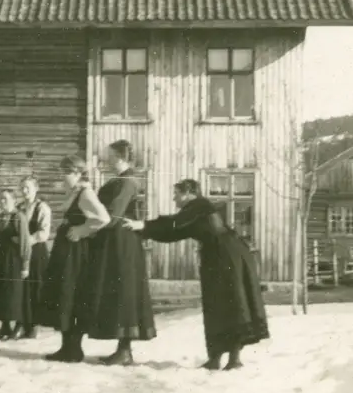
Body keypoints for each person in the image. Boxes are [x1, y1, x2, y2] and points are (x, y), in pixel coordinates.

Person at [128, 178, 270, 370]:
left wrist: (144, 225)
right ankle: (216, 358)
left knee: (232, 304)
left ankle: (233, 360)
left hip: (227, 257)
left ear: (188, 193)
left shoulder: (199, 205)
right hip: (221, 255)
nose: (174, 198)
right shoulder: (195, 210)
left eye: (176, 194)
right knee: (217, 305)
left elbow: (174, 225)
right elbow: (174, 233)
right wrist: (144, 230)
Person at [75, 139, 156, 366]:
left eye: (110, 155)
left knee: (123, 293)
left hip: (122, 244)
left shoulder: (127, 181)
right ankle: (122, 349)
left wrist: (89, 227)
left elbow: (113, 216)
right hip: (113, 243)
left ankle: (125, 350)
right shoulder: (120, 180)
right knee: (116, 292)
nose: (106, 158)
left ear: (120, 157)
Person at [36, 156, 110, 362]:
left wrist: (82, 230)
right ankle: (67, 347)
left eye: (66, 172)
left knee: (72, 294)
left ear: (78, 173)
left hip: (75, 253)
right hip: (66, 250)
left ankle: (73, 349)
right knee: (63, 294)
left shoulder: (86, 193)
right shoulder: (75, 192)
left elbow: (103, 218)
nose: (62, 176)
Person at [0, 189, 33, 340]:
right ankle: (5, 327)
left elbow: (25, 243)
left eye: (5, 199)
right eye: (0, 199)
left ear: (14, 200)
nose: (2, 201)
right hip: (1, 259)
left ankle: (19, 325)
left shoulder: (19, 217)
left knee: (15, 293)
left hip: (15, 260)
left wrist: (25, 265)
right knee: (1, 292)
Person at [16, 176, 52, 340]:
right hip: (21, 252)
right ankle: (21, 323)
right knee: (21, 288)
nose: (24, 191)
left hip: (37, 251)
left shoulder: (42, 208)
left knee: (35, 287)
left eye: (28, 187)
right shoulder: (19, 208)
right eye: (22, 187)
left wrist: (27, 241)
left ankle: (33, 325)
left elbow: (44, 233)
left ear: (36, 189)